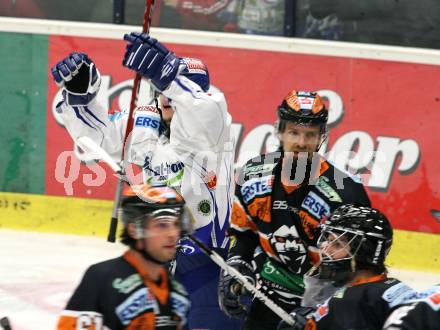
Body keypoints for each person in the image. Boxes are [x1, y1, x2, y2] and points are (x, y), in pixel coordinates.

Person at [51, 34, 240, 329]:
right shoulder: (142, 121)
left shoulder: (213, 127)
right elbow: (96, 140)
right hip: (154, 259)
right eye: (162, 89)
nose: (167, 97)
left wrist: (172, 79)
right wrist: (81, 96)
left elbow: (203, 113)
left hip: (207, 263)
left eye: (176, 91)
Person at [218, 90, 371, 329]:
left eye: (310, 135)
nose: (301, 142)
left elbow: (360, 270)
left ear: (322, 137)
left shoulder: (347, 194)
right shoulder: (253, 174)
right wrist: (237, 266)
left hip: (321, 309)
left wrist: (322, 309)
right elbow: (243, 234)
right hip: (266, 298)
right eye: (294, 132)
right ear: (279, 131)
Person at [56, 183, 191, 329]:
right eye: (162, 225)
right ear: (134, 229)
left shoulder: (178, 292)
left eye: (176, 224)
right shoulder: (101, 278)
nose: (172, 234)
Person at [277, 204, 416, 330]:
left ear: (364, 251)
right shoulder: (393, 287)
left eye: (337, 244)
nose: (326, 249)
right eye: (328, 241)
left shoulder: (350, 301)